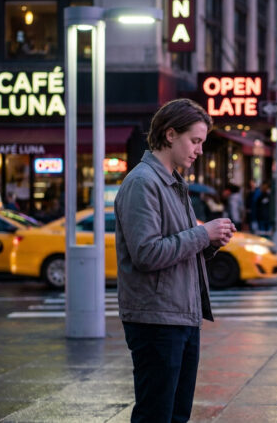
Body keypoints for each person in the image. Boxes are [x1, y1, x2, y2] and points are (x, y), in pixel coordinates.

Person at [114, 99, 235, 423]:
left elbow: (177, 247)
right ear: (170, 134)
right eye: (194, 141)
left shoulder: (174, 182)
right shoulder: (143, 182)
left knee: (176, 415)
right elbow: (147, 253)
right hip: (156, 318)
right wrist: (203, 235)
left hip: (180, 315)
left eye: (201, 143)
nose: (198, 150)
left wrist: (212, 243)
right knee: (156, 414)